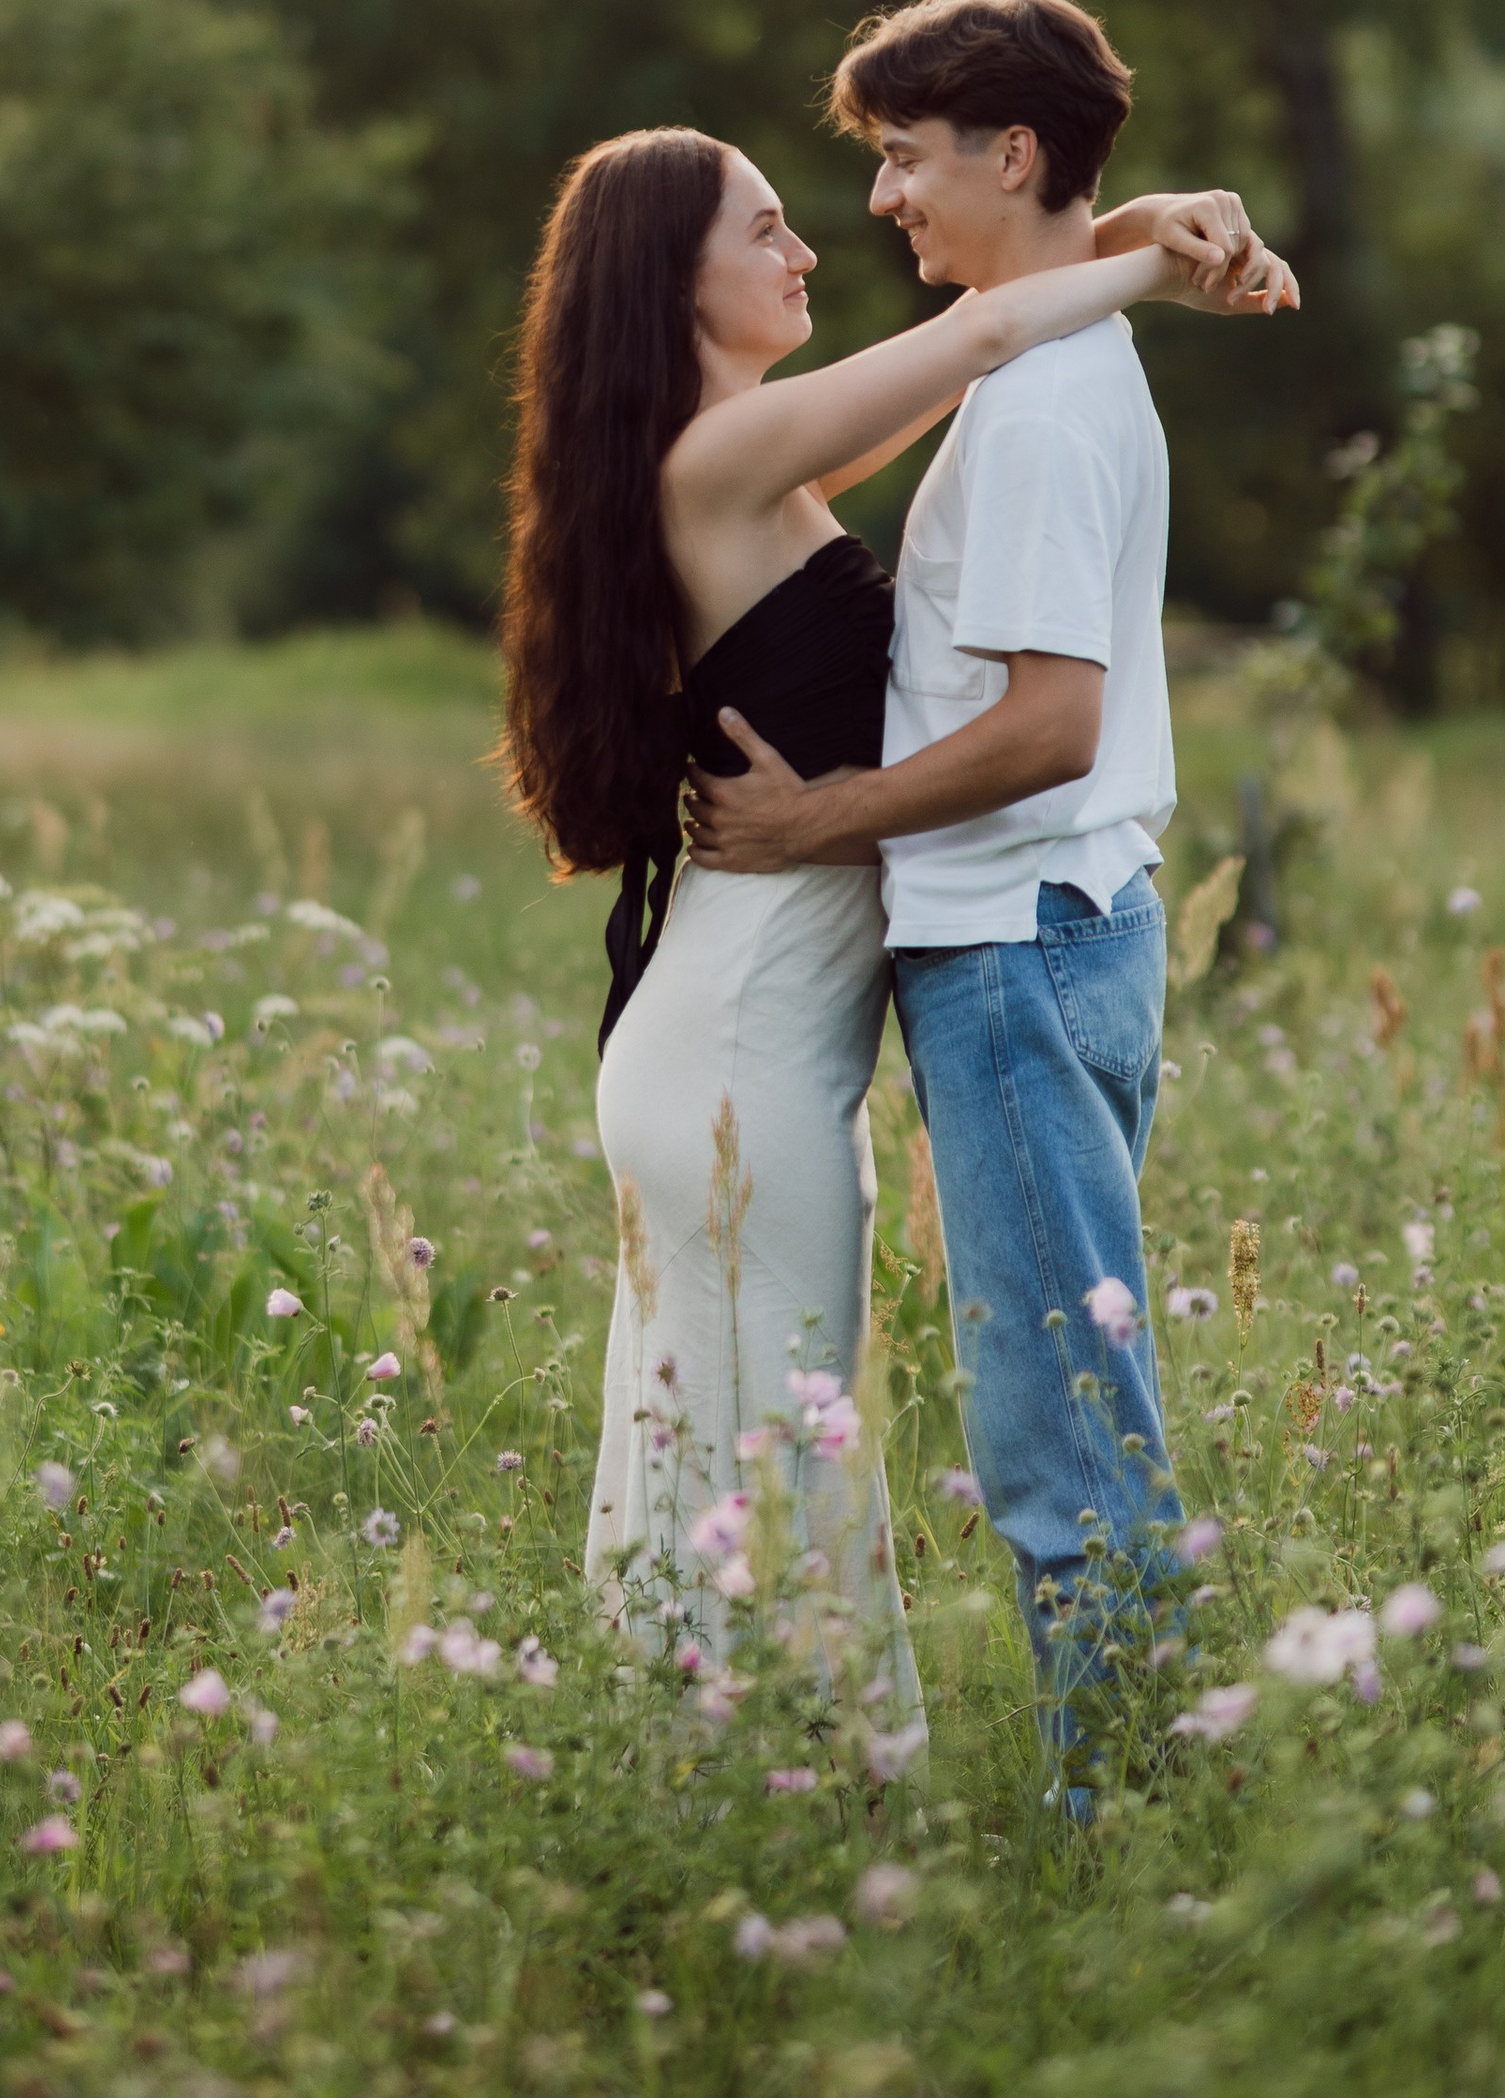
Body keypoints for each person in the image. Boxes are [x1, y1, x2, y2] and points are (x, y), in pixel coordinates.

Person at [495, 115, 1293, 1689]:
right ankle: (778, 1806)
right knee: (767, 1448)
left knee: (747, 1440)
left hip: (751, 1044)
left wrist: (1125, 224)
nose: (808, 251)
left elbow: (963, 336)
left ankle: (738, 1798)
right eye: (769, 231)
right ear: (674, 283)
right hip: (739, 1052)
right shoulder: (718, 464)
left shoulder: (754, 451)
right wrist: (1154, 260)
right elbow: (989, 324)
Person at [687, 0, 1288, 1788]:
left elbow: (1046, 729)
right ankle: (1142, 1794)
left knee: (1059, 1440)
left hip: (1017, 952)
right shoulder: (1045, 361)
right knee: (1068, 1401)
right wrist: (1141, 235)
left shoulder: (1029, 417)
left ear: (1006, 152)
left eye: (899, 158)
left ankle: (1134, 1824)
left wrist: (816, 823)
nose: (878, 200)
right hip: (1053, 939)